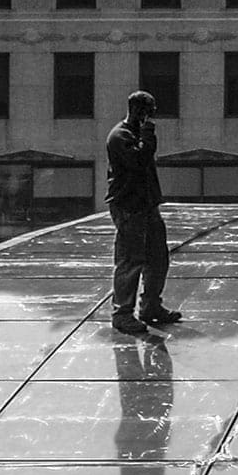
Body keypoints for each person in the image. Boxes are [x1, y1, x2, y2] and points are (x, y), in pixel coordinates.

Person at [105, 90, 183, 334]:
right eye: (147, 111)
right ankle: (122, 313)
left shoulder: (136, 135)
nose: (150, 117)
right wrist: (148, 134)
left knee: (158, 258)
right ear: (136, 109)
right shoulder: (120, 136)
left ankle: (150, 306)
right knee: (130, 260)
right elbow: (138, 161)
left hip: (147, 205)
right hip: (129, 207)